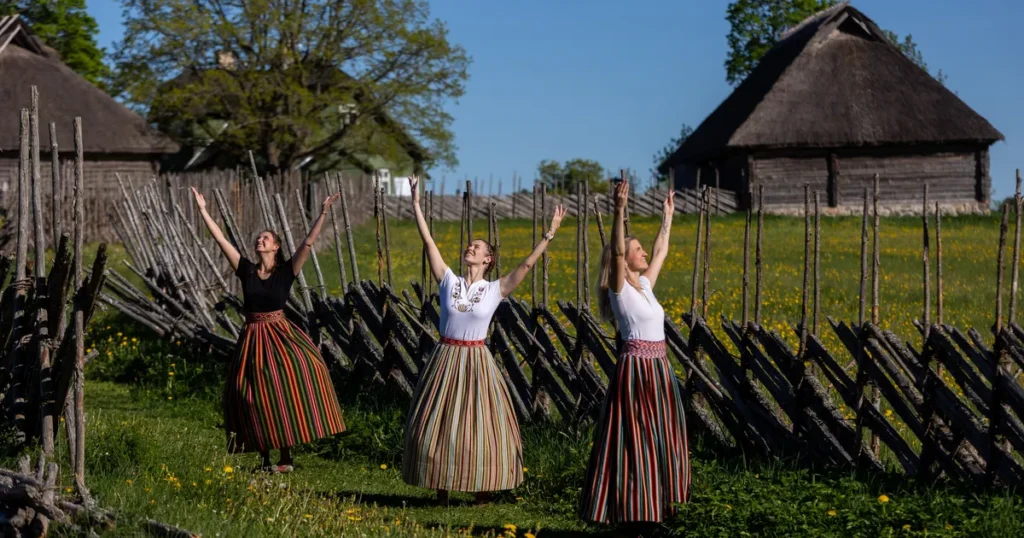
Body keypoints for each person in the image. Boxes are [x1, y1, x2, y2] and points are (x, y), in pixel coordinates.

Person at [402, 175, 566, 504]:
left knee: (480, 425)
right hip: (445, 357)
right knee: (440, 422)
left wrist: (549, 234)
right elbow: (428, 242)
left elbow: (527, 265)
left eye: (476, 247)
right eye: (469, 245)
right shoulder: (448, 280)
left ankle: (482, 489)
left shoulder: (494, 290)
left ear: (488, 260)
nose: (469, 248)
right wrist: (417, 204)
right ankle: (440, 486)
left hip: (476, 360)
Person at [191, 186, 346, 473]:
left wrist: (323, 212)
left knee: (283, 388)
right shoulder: (247, 270)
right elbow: (221, 240)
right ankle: (263, 455)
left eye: (266, 238)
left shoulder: (287, 271)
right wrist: (203, 211)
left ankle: (285, 456)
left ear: (276, 246)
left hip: (280, 335)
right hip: (252, 338)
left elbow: (309, 243)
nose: (259, 240)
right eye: (258, 238)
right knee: (248, 393)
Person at [580, 179, 690, 525]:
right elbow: (613, 251)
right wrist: (618, 210)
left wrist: (667, 216)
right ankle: (633, 513)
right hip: (636, 372)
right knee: (636, 441)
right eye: (636, 249)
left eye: (642, 248)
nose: (643, 253)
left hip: (659, 369)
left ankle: (663, 508)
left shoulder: (643, 286)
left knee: (663, 437)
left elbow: (661, 251)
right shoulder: (620, 290)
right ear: (624, 260)